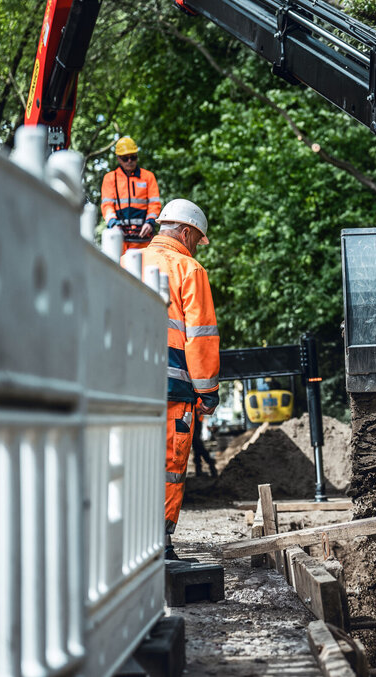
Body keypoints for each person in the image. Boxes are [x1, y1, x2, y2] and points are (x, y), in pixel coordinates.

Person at [140, 198, 220, 559]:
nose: (195, 245)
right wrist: (208, 392)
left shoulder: (129, 261)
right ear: (186, 232)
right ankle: (160, 543)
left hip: (124, 384)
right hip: (172, 387)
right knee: (169, 464)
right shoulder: (189, 269)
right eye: (196, 238)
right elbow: (200, 339)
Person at [101, 136, 162, 256]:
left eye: (132, 157)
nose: (129, 161)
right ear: (118, 159)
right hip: (120, 237)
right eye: (125, 158)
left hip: (143, 238)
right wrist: (113, 224)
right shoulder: (110, 178)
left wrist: (150, 222)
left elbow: (154, 204)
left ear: (137, 156)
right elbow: (107, 205)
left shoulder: (148, 177)